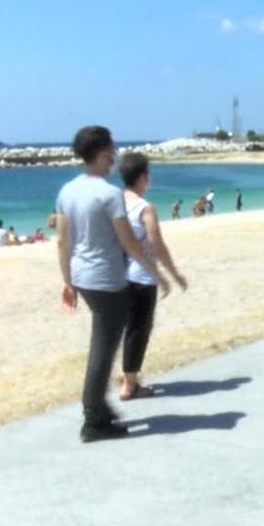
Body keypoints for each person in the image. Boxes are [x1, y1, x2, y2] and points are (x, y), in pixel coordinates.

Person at [56, 125, 167, 443]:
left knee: (101, 346)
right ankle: (94, 420)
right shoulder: (109, 194)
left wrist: (67, 280)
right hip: (107, 280)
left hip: (83, 277)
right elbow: (130, 242)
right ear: (104, 152)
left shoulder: (68, 191)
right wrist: (155, 271)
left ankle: (100, 413)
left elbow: (63, 242)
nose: (115, 157)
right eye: (113, 151)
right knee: (102, 351)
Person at [118, 153, 188, 401]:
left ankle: (128, 376)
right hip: (141, 275)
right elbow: (157, 245)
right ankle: (129, 385)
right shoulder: (144, 208)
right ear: (141, 177)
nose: (149, 178)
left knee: (128, 328)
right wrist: (173, 274)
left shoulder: (115, 203)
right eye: (148, 174)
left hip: (118, 275)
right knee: (139, 329)